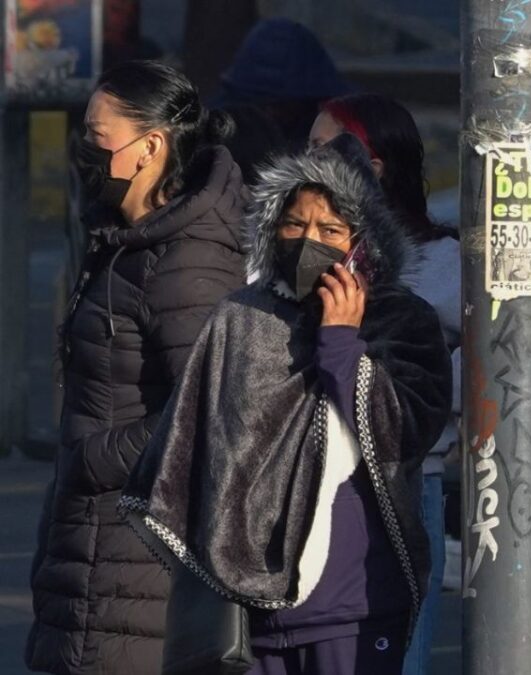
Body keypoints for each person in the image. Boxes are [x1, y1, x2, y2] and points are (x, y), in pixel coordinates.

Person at [120, 134, 452, 673]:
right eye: (294, 225)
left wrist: (342, 344)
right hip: (252, 615)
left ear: (362, 241)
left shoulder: (401, 319)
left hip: (356, 608)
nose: (307, 241)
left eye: (330, 230)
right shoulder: (241, 317)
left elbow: (405, 431)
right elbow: (195, 450)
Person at [26, 61, 246, 674]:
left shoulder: (186, 259)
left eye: (98, 140)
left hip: (138, 557)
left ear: (151, 146)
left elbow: (206, 409)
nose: (84, 153)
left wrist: (93, 460)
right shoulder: (125, 240)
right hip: (95, 547)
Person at [309, 92, 461, 675]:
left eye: (324, 148)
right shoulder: (297, 251)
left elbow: (524, 358)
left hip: (404, 481)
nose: (309, 160)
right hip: (310, 483)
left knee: (395, 660)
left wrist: (414, 384)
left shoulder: (443, 260)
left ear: (371, 168)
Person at [212, 17, 352, 148]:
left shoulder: (326, 136)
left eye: (282, 105)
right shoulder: (222, 130)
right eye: (263, 105)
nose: (271, 114)